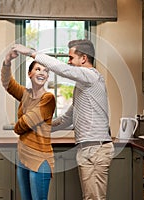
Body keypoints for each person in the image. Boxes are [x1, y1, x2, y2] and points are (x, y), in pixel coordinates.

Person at [12, 39, 115, 200]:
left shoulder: (91, 76)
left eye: (71, 57)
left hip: (95, 149)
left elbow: (62, 69)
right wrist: (41, 127)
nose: (69, 61)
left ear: (84, 58)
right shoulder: (83, 87)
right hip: (88, 149)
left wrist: (32, 53)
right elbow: (67, 119)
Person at [1, 49, 56, 200]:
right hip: (23, 157)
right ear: (29, 73)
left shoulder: (48, 98)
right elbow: (8, 84)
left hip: (40, 159)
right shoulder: (26, 94)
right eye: (38, 69)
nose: (42, 73)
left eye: (45, 71)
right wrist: (7, 62)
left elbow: (25, 123)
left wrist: (16, 125)